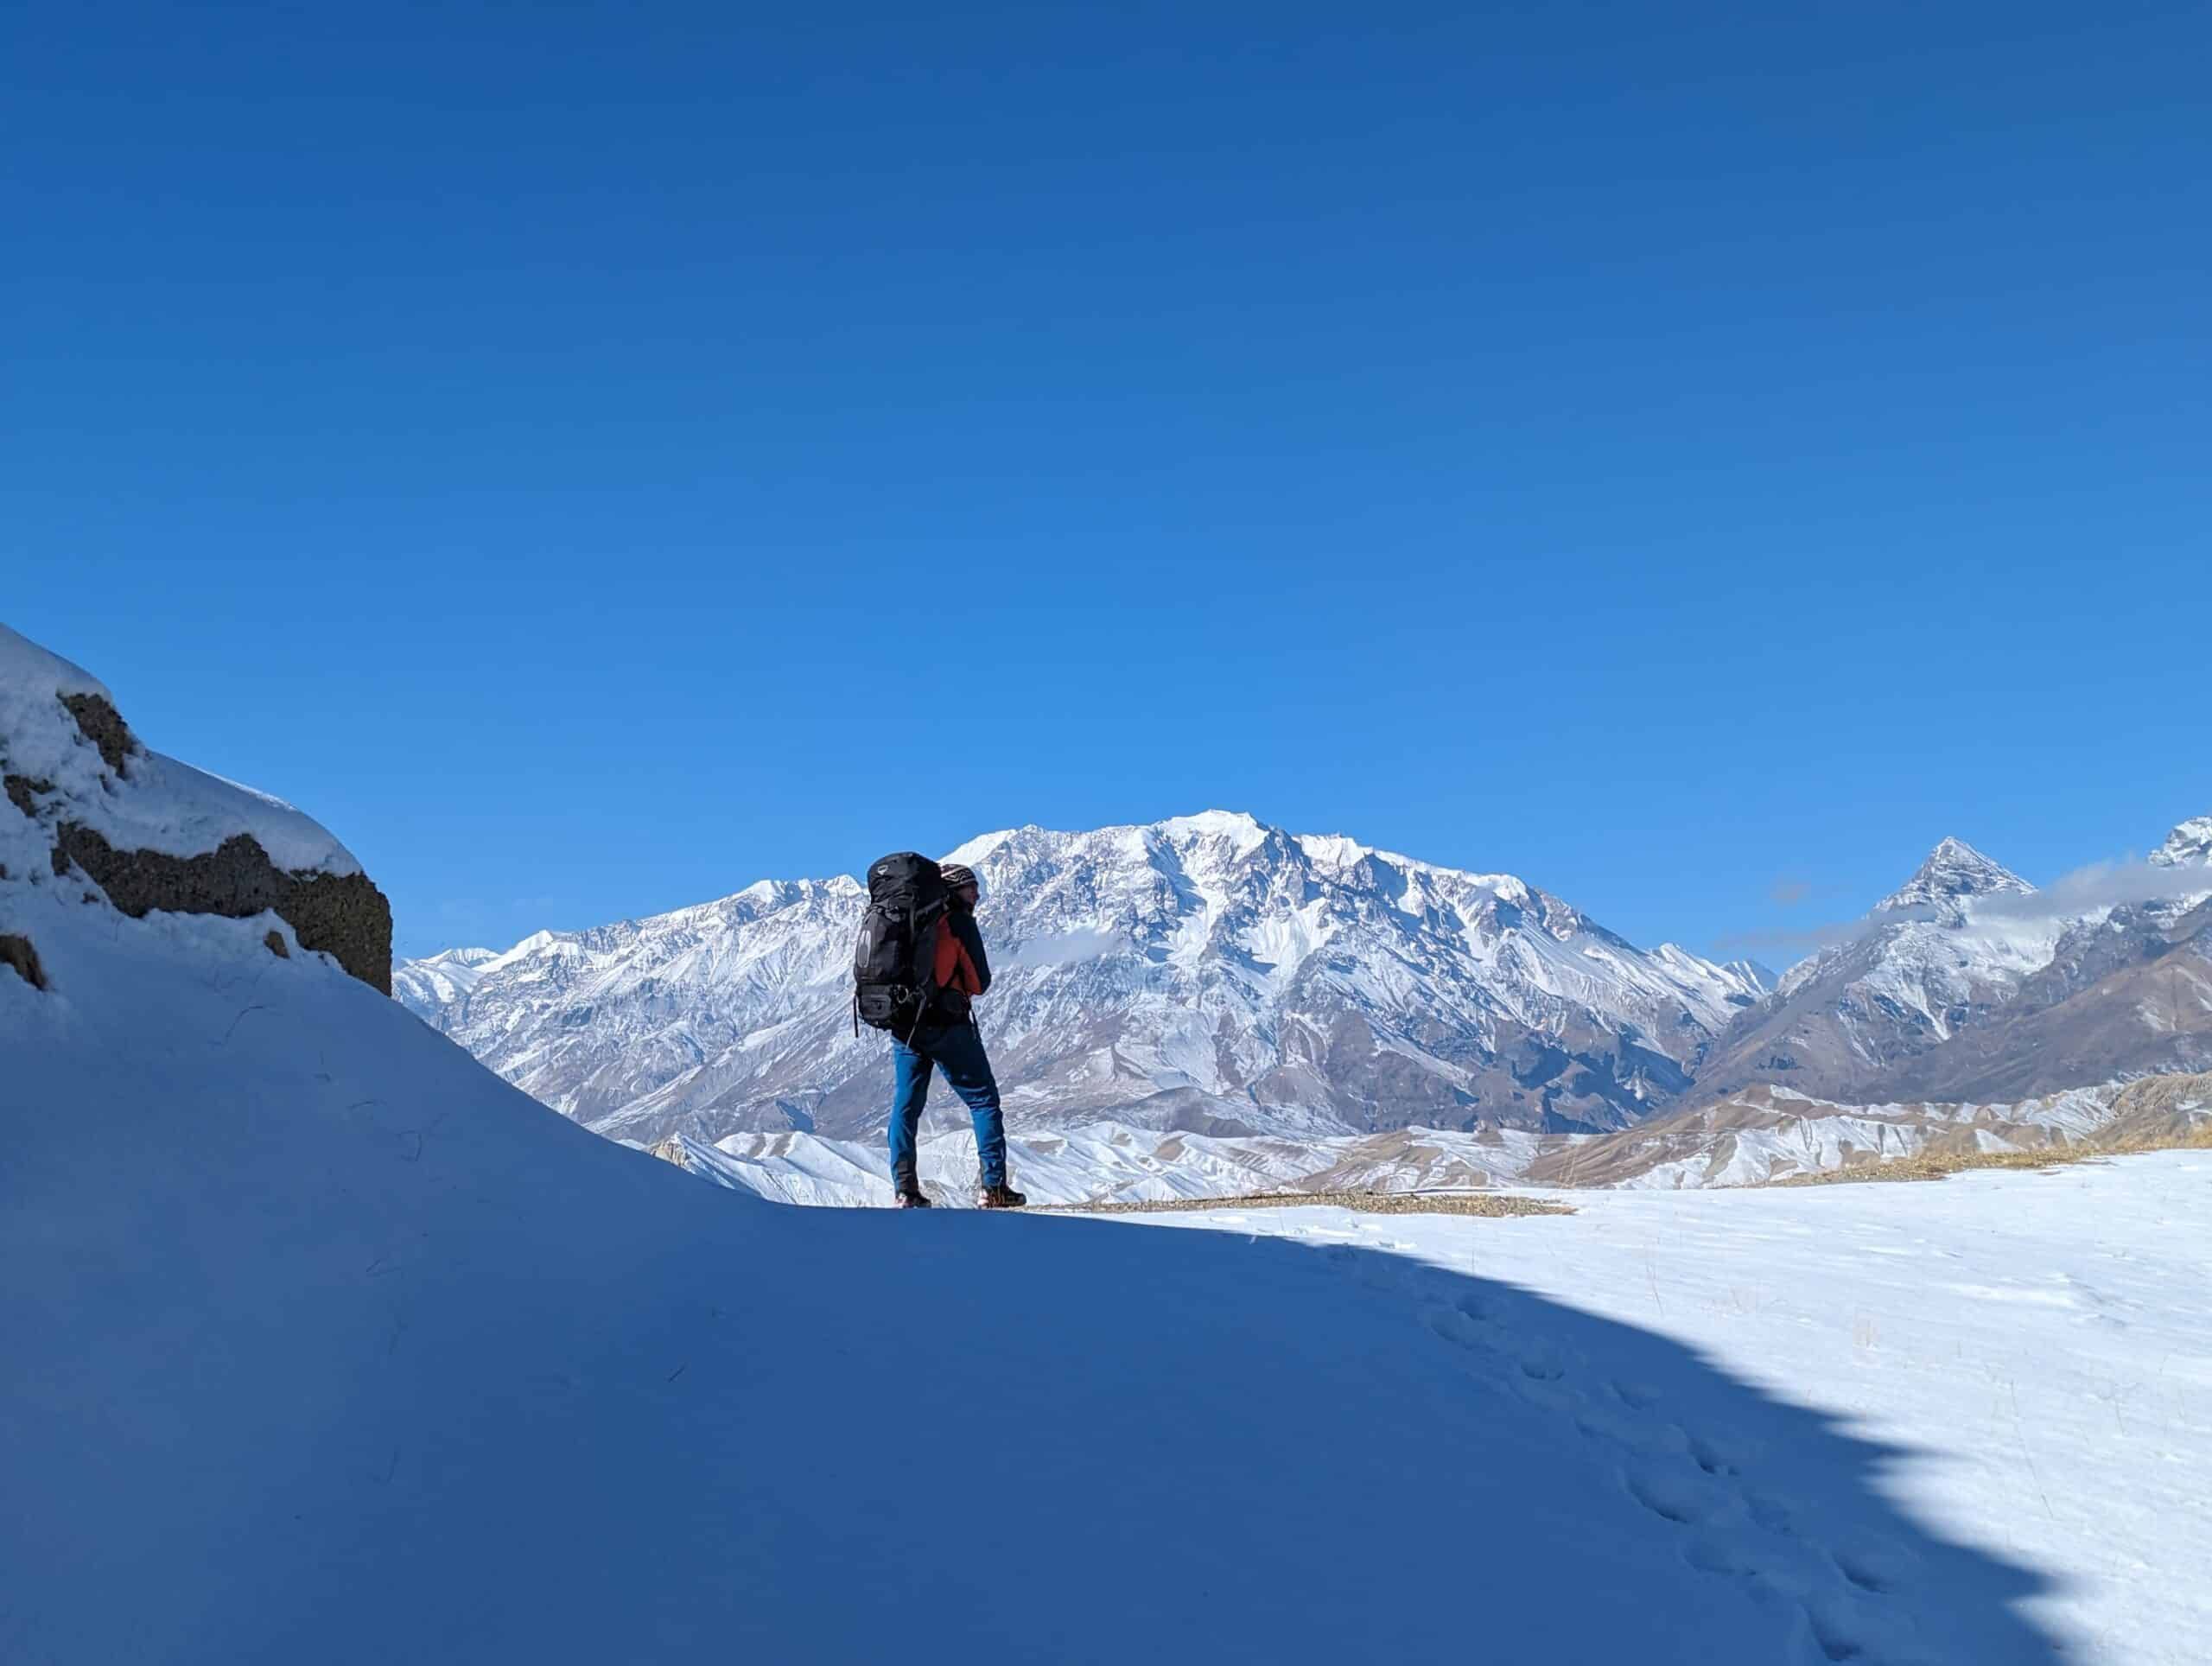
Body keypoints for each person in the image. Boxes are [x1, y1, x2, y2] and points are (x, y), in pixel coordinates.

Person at [887, 862, 1027, 1210]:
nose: (977, 894)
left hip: (905, 1026)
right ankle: (993, 1188)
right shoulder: (958, 922)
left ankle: (905, 1190)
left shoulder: (907, 921)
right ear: (952, 890)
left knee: (906, 1106)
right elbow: (980, 982)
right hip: (947, 1025)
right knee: (983, 1101)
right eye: (969, 887)